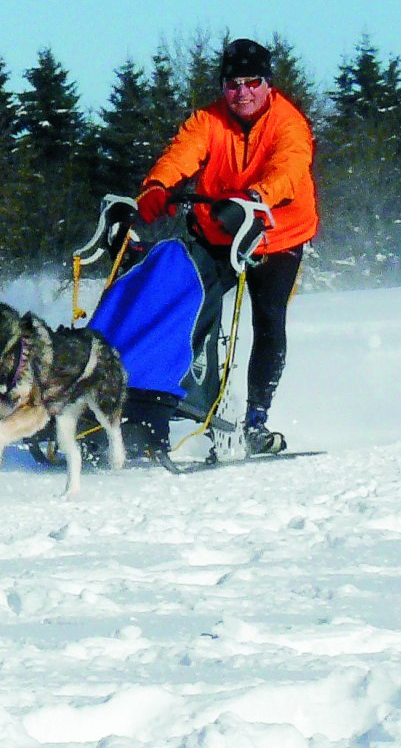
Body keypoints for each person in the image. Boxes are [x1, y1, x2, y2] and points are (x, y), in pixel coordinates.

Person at [135, 38, 319, 454]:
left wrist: (255, 200)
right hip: (218, 231)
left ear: (267, 84)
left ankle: (255, 420)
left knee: (269, 319)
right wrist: (158, 185)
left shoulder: (289, 123)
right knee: (187, 303)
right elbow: (182, 152)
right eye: (233, 84)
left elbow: (289, 169)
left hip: (277, 234)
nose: (243, 93)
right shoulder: (209, 120)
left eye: (252, 82)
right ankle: (174, 400)